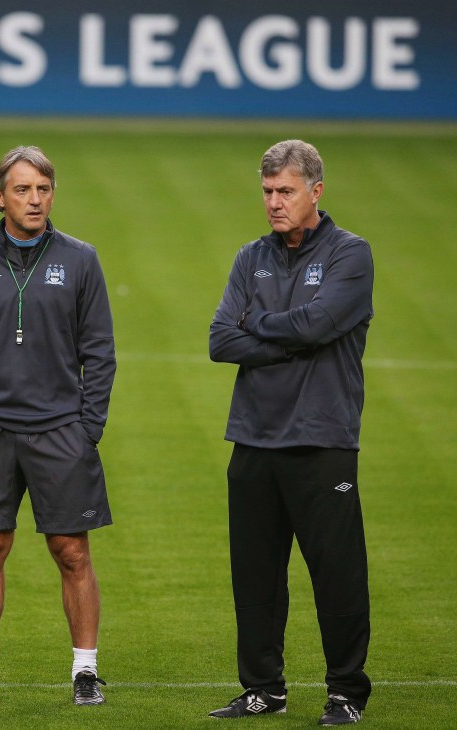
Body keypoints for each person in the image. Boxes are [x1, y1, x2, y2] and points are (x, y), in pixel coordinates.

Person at [0, 145, 116, 706]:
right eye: (23, 189)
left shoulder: (81, 260)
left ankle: (85, 671)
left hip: (59, 428)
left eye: (43, 189)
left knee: (71, 550)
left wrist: (88, 428)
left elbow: (100, 351)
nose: (35, 199)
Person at [208, 140, 374, 726]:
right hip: (253, 439)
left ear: (316, 192)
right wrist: (289, 336)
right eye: (268, 192)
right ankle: (262, 689)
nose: (275, 203)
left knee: (337, 574)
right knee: (254, 575)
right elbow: (220, 340)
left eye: (286, 192)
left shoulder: (351, 255)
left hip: (321, 440)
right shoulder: (249, 256)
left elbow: (320, 323)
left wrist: (261, 324)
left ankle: (347, 692)